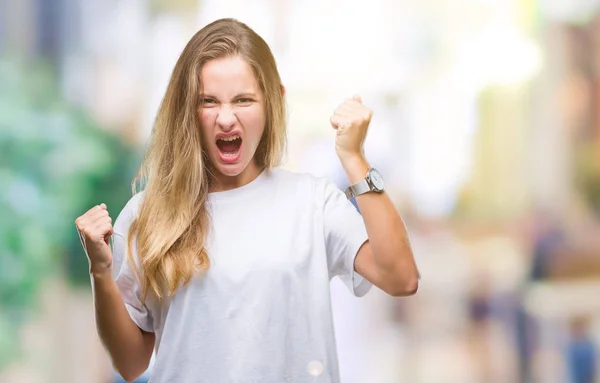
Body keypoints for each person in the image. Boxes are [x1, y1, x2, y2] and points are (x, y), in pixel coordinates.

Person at [74, 18, 419, 383]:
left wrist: (355, 160)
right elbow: (131, 365)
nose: (226, 118)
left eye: (243, 100)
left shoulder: (313, 202)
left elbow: (401, 277)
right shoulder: (147, 214)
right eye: (208, 101)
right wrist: (100, 271)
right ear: (187, 110)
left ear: (273, 103)